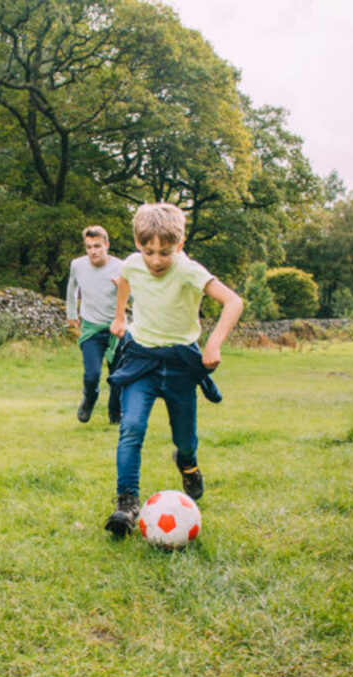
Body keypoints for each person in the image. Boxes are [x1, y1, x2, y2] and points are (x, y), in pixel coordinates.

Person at [104, 203, 243, 537]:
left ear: (179, 246)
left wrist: (213, 344)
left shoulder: (189, 270)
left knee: (185, 439)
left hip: (181, 363)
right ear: (138, 245)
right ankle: (126, 503)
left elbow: (233, 302)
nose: (155, 260)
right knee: (132, 426)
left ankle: (188, 465)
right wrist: (120, 316)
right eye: (148, 250)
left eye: (164, 252)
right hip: (141, 361)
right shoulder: (133, 264)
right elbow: (124, 280)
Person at [65, 225, 123, 424]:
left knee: (117, 377)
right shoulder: (78, 265)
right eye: (89, 247)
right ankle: (90, 398)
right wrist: (71, 313)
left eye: (97, 246)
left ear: (106, 245)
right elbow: (71, 288)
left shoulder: (122, 267)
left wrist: (124, 287)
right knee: (92, 374)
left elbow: (136, 295)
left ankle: (115, 413)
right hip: (91, 328)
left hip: (117, 329)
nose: (93, 251)